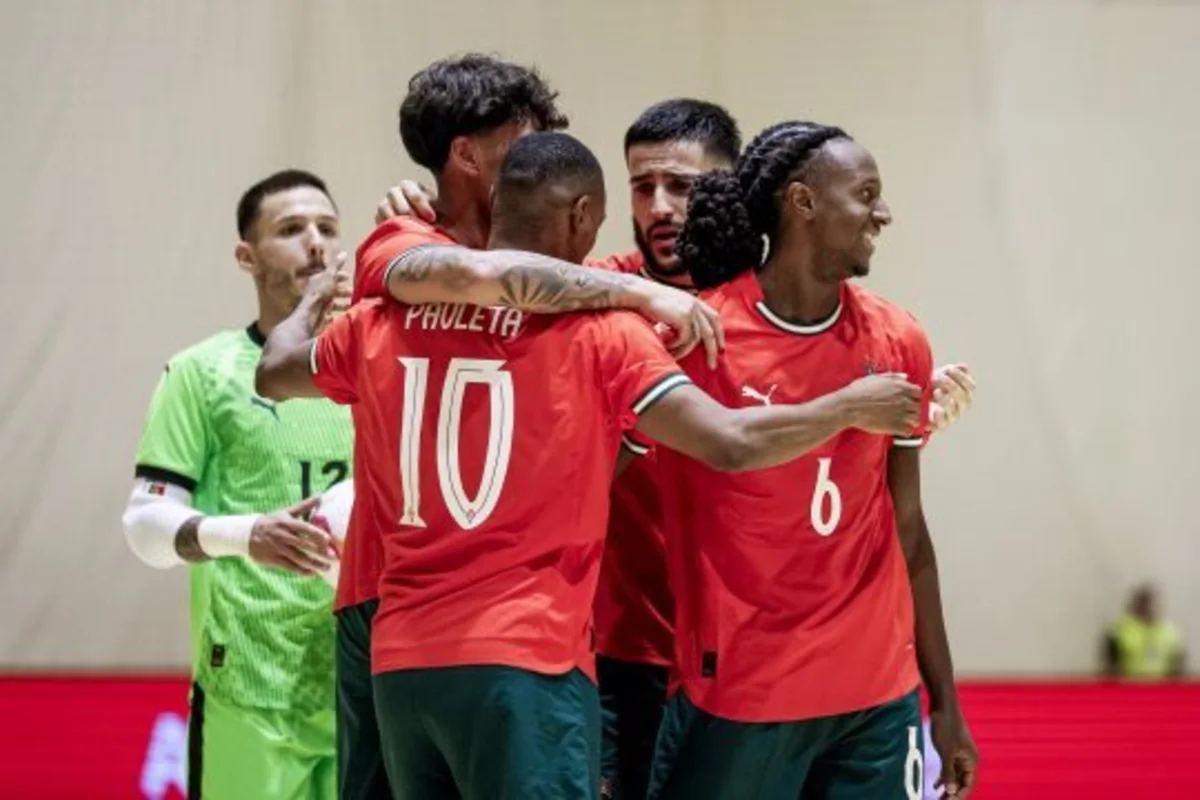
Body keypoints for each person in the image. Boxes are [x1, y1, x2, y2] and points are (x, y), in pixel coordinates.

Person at [257, 131, 929, 799]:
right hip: (526, 660)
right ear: (581, 216)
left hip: (402, 668)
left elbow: (275, 371)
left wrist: (314, 300)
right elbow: (729, 441)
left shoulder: (378, 321)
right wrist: (846, 409)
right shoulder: (603, 334)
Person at [643, 121, 980, 800]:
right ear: (802, 203)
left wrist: (944, 700)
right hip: (743, 691)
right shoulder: (700, 336)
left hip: (874, 696)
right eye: (866, 193)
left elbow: (908, 530)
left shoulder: (897, 336)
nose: (882, 212)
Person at [338, 53, 570, 800]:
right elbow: (284, 362)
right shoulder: (405, 245)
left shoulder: (557, 263)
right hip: (389, 587)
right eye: (520, 138)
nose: (538, 155)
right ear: (465, 154)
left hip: (500, 603)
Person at [122, 169, 352, 799]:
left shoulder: (378, 368)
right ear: (246, 256)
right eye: (291, 229)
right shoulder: (203, 372)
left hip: (367, 688)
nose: (316, 244)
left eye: (328, 228)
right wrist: (247, 534)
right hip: (249, 692)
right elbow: (144, 524)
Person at [1103, 583, 1186, 680]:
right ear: (1135, 604)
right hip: (1129, 687)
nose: (1149, 606)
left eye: (1152, 602)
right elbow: (1110, 665)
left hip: (1163, 689)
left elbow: (1178, 666)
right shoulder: (1119, 630)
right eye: (1144, 602)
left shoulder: (1172, 632)